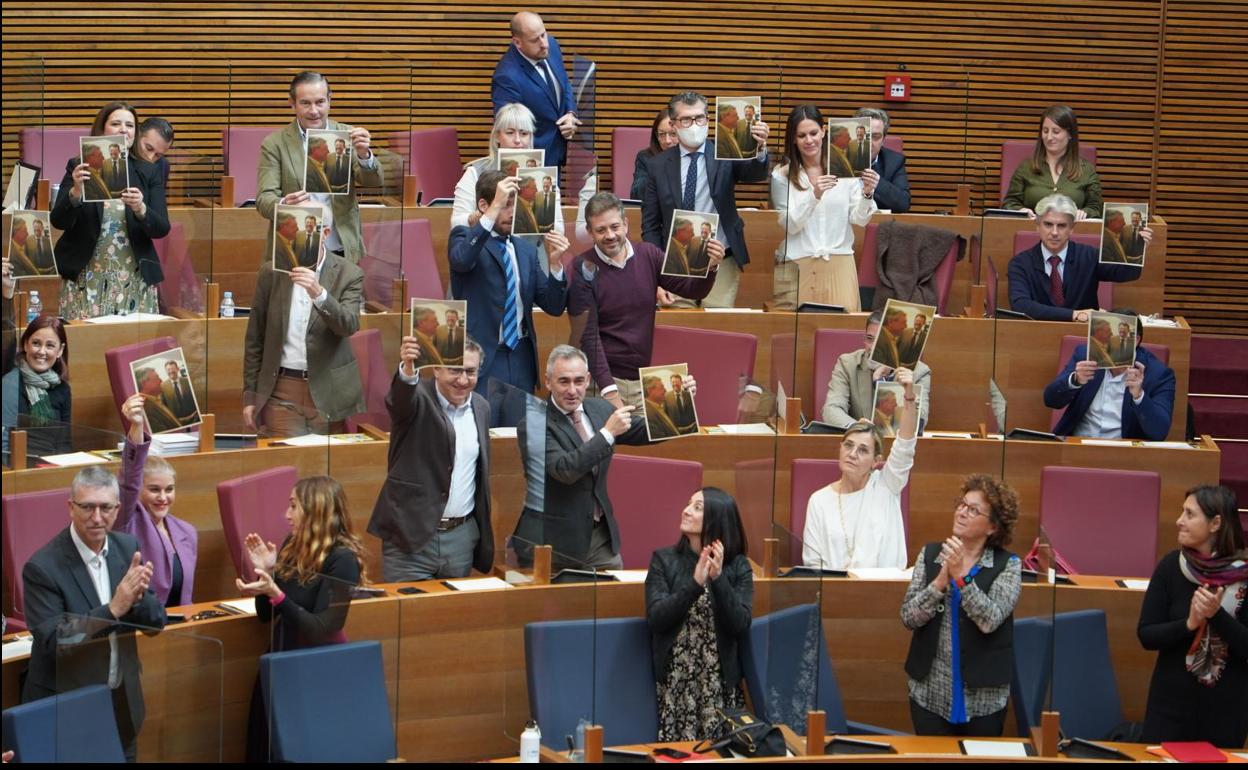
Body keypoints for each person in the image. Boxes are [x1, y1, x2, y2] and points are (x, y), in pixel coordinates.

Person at [22, 465, 166, 761]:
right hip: (67, 711)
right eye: (87, 507)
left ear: (117, 509)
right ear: (70, 507)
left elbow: (156, 624)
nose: (97, 517)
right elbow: (54, 642)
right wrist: (114, 608)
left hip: (121, 706)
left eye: (105, 507)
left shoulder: (127, 549)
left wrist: (139, 598)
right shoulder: (43, 567)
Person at [238, 475, 368, 761]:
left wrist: (277, 593)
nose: (287, 515)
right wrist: (268, 574)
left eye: (294, 506)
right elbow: (265, 615)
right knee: (267, 746)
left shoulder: (342, 559)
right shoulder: (291, 545)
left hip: (318, 670)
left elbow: (323, 628)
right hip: (282, 657)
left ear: (316, 510)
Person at [513, 345, 655, 570]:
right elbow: (564, 470)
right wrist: (607, 434)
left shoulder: (599, 409)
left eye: (579, 381)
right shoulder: (534, 423)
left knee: (613, 600)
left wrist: (679, 403)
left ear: (588, 380)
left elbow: (647, 429)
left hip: (599, 539)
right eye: (564, 381)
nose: (572, 390)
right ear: (548, 381)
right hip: (552, 545)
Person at [569, 193, 717, 409]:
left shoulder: (649, 254)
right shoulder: (582, 267)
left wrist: (711, 267)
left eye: (615, 227)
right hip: (601, 383)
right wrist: (610, 393)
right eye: (601, 230)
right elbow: (588, 337)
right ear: (590, 232)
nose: (610, 235)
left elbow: (693, 289)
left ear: (626, 224)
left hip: (642, 381)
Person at [901, 474, 1022, 736]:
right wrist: (941, 581)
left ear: (993, 527)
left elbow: (990, 620)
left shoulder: (1008, 565)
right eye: (962, 504)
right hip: (929, 695)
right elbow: (909, 617)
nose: (962, 512)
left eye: (974, 510)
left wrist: (962, 578)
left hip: (984, 700)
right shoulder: (931, 554)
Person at [368, 338, 494, 581]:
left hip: (461, 540)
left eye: (470, 372)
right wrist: (407, 368)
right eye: (455, 370)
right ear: (436, 368)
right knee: (408, 616)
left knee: (451, 618)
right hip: (411, 539)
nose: (463, 379)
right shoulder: (417, 398)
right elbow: (399, 402)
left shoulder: (482, 407)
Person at [1138, 485, 1248, 748]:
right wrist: (1189, 624)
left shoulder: (1244, 576)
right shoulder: (1171, 566)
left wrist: (1216, 615)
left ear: (1216, 523)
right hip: (1170, 707)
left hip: (1225, 710)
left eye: (1189, 514)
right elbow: (1147, 635)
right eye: (1181, 513)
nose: (1179, 521)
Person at [642, 90, 769, 308]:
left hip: (720, 258)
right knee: (678, 329)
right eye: (685, 119)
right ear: (673, 124)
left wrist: (760, 148)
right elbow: (651, 225)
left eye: (699, 118)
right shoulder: (657, 166)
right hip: (676, 261)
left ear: (708, 120)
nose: (694, 125)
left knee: (717, 330)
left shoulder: (726, 152)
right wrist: (654, 275)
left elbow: (754, 174)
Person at [646, 487, 753, 741]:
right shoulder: (663, 560)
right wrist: (694, 584)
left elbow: (740, 624)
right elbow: (656, 618)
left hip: (719, 682)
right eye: (688, 503)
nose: (686, 510)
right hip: (676, 683)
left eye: (697, 507)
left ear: (717, 518)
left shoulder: (738, 566)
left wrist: (717, 579)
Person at [449, 170, 568, 398]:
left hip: (521, 357)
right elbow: (462, 260)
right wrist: (493, 209)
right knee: (486, 431)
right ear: (484, 205)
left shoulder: (525, 250)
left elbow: (553, 305)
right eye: (506, 205)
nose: (513, 212)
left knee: (521, 431)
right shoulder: (464, 237)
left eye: (516, 204)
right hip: (483, 359)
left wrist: (555, 265)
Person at [242, 226, 364, 438]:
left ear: (325, 233)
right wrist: (250, 396)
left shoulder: (349, 273)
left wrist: (320, 294)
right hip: (282, 388)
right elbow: (255, 337)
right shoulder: (271, 272)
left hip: (328, 390)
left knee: (324, 467)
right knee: (287, 462)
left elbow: (349, 325)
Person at [52, 101, 170, 320]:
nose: (123, 129)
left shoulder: (149, 171)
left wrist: (141, 208)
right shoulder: (79, 165)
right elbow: (58, 220)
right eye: (116, 123)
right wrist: (76, 191)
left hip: (132, 274)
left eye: (130, 125)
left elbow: (161, 227)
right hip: (85, 274)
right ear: (102, 129)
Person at [256, 71, 382, 265]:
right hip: (297, 251)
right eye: (305, 103)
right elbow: (264, 200)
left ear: (329, 101)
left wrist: (364, 155)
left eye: (320, 102)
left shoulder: (347, 134)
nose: (314, 110)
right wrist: (284, 204)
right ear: (292, 103)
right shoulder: (275, 144)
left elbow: (374, 182)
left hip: (341, 245)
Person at [803, 367, 919, 570]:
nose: (853, 453)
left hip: (885, 591)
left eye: (863, 450)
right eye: (848, 445)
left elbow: (905, 445)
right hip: (836, 594)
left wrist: (909, 397)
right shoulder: (819, 501)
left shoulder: (886, 485)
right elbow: (813, 565)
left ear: (876, 461)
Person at [771, 104, 878, 311]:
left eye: (813, 133)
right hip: (796, 263)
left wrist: (867, 193)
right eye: (801, 135)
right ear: (793, 138)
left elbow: (860, 220)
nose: (809, 140)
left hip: (839, 262)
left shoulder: (845, 167)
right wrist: (814, 196)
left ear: (823, 131)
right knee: (796, 337)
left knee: (840, 335)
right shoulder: (781, 175)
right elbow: (789, 226)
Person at [1007, 194, 1147, 322]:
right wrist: (1074, 314)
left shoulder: (1089, 256)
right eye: (1048, 224)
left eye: (1062, 226)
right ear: (1037, 226)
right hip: (1038, 337)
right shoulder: (1020, 263)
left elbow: (1128, 273)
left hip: (1082, 339)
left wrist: (1138, 245)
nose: (1054, 232)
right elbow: (1020, 305)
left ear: (1072, 228)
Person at [117, 393, 198, 607]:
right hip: (141, 626)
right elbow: (128, 482)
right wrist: (136, 427)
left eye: (169, 489)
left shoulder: (186, 532)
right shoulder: (128, 522)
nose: (163, 498)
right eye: (154, 490)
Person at [1044, 311, 1175, 440]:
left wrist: (1139, 396)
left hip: (1123, 452)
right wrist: (1075, 379)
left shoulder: (1159, 374)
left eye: (1119, 335)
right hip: (1079, 444)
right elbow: (1050, 400)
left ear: (1135, 340)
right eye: (1108, 335)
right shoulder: (1086, 356)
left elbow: (1159, 432)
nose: (1110, 341)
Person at [451, 103, 567, 239]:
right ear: (497, 136)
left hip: (529, 253)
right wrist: (488, 211)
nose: (518, 140)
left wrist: (541, 217)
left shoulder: (543, 176)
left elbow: (559, 229)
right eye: (510, 133)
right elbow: (456, 224)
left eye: (524, 133)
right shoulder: (475, 172)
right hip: (487, 251)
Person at [491, 11, 580, 168]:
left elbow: (564, 82)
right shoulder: (506, 77)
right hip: (532, 162)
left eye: (543, 34)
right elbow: (509, 129)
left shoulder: (551, 45)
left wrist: (570, 113)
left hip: (558, 151)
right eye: (535, 40)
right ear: (518, 42)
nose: (544, 43)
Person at [822, 311, 932, 430]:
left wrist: (890, 383)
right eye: (869, 338)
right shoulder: (847, 364)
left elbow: (919, 421)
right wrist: (856, 427)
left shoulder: (919, 372)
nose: (872, 347)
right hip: (858, 442)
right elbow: (831, 409)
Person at [1003, 104, 1102, 219]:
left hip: (1072, 232)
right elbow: (1009, 203)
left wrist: (1085, 213)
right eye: (1045, 131)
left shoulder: (1086, 170)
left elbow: (1096, 208)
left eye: (1056, 131)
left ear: (1070, 134)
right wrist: (1020, 210)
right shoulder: (1025, 167)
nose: (1049, 137)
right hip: (1032, 231)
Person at [2, 315, 72, 463]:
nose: (42, 351)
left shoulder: (62, 389)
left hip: (52, 468)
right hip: (18, 470)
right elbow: (4, 443)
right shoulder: (10, 383)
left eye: (50, 345)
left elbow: (64, 443)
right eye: (36, 343)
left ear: (60, 350)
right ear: (25, 345)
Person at [855, 107, 910, 212]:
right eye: (864, 135)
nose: (869, 142)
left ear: (883, 140)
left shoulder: (894, 162)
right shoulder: (835, 158)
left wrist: (877, 182)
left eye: (875, 137)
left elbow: (903, 204)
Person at [631, 110, 681, 200]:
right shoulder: (645, 157)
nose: (667, 141)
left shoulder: (692, 157)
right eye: (661, 134)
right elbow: (636, 194)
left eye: (673, 134)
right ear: (656, 136)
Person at [134, 365, 182, 434]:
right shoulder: (145, 408)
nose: (161, 380)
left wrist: (193, 417)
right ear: (144, 383)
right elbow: (164, 435)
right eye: (157, 377)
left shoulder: (155, 400)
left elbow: (172, 423)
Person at [133, 117, 174, 184]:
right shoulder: (121, 157)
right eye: (149, 148)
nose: (150, 157)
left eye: (158, 155)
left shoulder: (162, 165)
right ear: (137, 136)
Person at [159, 359, 197, 425]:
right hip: (176, 422)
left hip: (194, 418)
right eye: (168, 370)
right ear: (166, 371)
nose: (171, 371)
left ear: (177, 369)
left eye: (172, 369)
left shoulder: (188, 381)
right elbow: (163, 406)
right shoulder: (162, 386)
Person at [643, 374, 680, 439]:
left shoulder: (658, 407)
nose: (665, 390)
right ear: (650, 390)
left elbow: (672, 431)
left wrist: (693, 427)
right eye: (662, 387)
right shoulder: (648, 414)